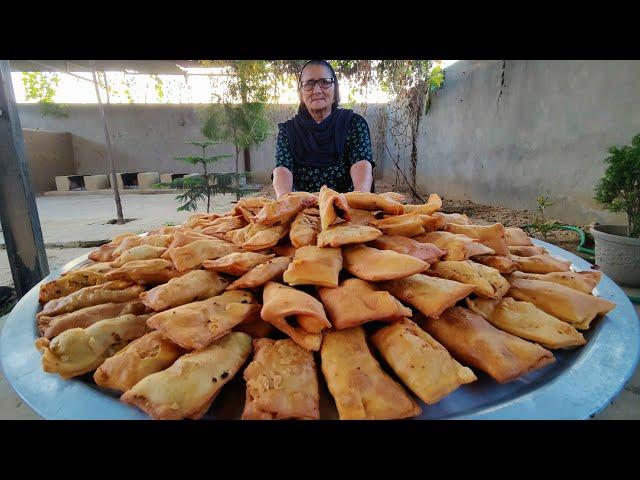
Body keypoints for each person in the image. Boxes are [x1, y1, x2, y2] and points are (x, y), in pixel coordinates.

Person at [272, 60, 375, 198]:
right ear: (301, 93)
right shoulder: (288, 131)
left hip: (347, 209)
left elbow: (361, 163)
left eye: (325, 82)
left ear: (335, 89)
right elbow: (282, 169)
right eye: (308, 84)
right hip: (303, 211)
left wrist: (360, 201)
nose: (317, 90)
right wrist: (284, 201)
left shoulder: (354, 124)